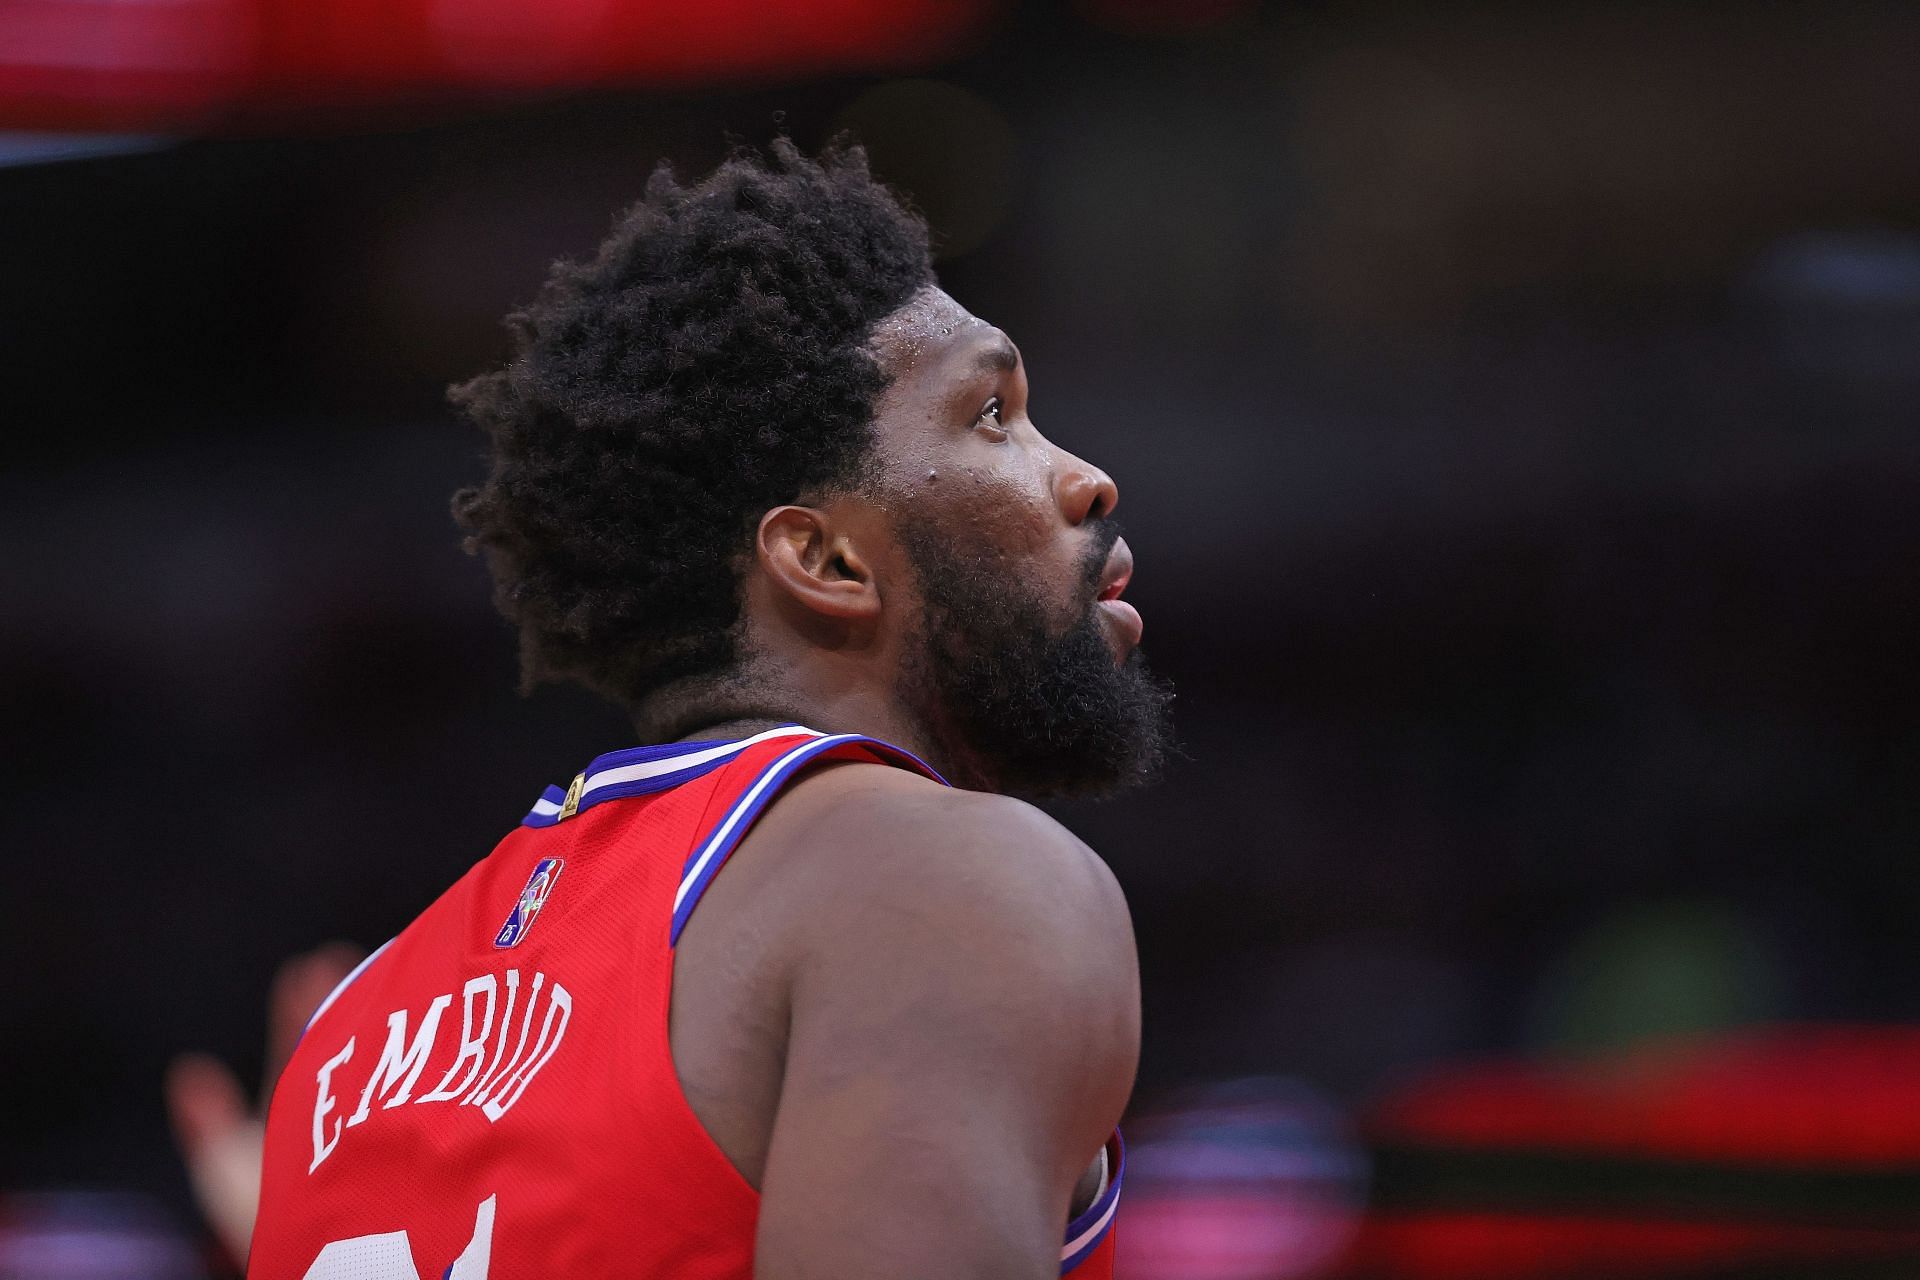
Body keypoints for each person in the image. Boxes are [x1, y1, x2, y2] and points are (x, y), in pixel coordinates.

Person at [237, 140, 1172, 1279]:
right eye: (992, 413)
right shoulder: (950, 888)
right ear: (824, 557)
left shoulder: (351, 1034)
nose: (1083, 477)